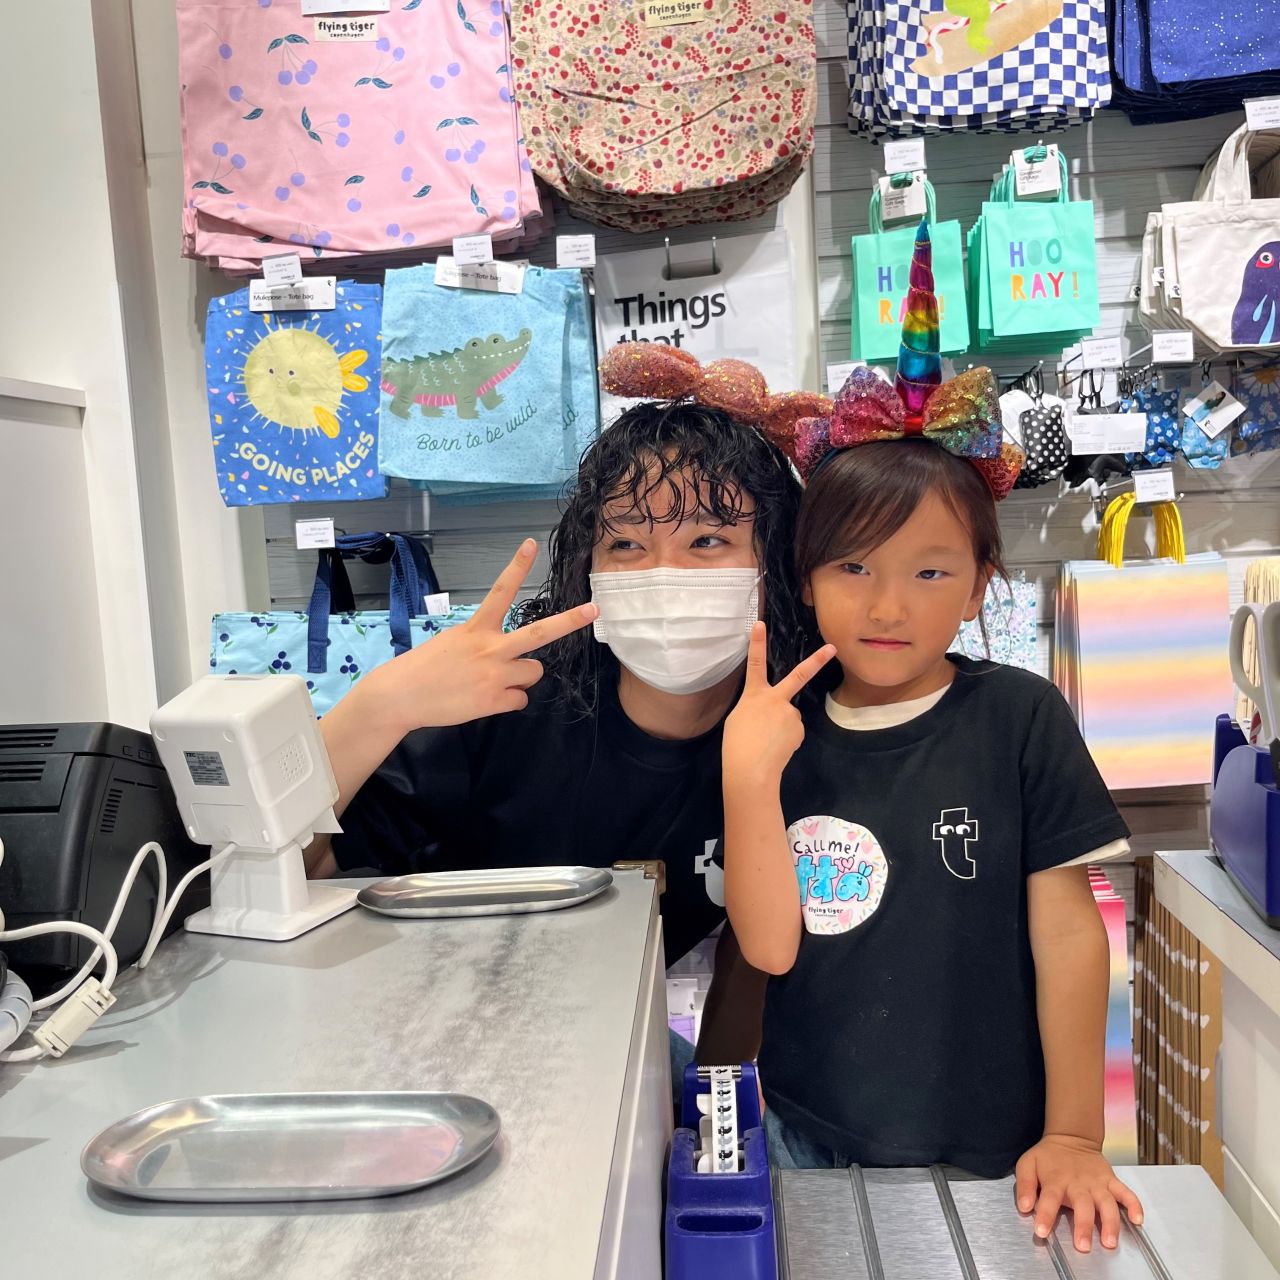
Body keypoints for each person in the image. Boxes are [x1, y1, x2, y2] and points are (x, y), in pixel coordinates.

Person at [721, 224, 1145, 1253]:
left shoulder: (1017, 716)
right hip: (807, 1132)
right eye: (852, 567)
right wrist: (744, 775)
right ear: (804, 578)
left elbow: (1067, 932)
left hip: (996, 1147)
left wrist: (1073, 1131)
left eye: (928, 571)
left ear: (978, 585)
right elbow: (767, 946)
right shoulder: (777, 731)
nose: (886, 605)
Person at [304, 349, 829, 1064]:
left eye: (708, 540)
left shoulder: (787, 729)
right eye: (626, 543)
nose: (664, 573)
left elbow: (752, 960)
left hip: (602, 1045)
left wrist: (708, 1100)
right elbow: (307, 865)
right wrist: (381, 704)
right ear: (589, 567)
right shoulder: (506, 699)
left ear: (776, 564)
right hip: (420, 1026)